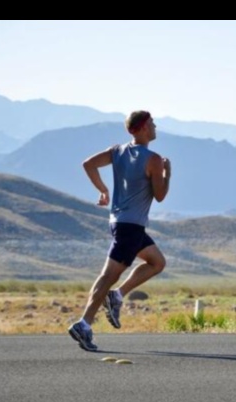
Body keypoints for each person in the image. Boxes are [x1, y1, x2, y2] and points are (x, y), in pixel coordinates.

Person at [68, 110, 171, 351]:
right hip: (131, 227)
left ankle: (117, 296)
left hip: (120, 222)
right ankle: (84, 324)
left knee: (157, 262)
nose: (155, 127)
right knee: (108, 276)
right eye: (153, 124)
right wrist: (168, 173)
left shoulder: (117, 151)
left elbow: (88, 164)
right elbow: (160, 195)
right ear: (144, 127)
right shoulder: (154, 159)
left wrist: (103, 190)